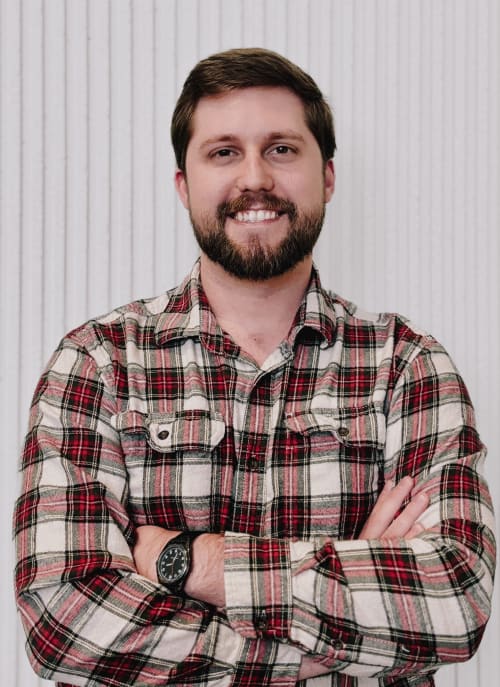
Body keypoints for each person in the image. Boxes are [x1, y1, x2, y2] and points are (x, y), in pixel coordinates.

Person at [14, 48, 495, 687]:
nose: (254, 178)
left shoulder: (407, 365)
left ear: (327, 177)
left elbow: (456, 601)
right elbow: (64, 622)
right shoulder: (98, 363)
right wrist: (341, 624)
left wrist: (187, 561)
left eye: (281, 149)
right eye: (223, 152)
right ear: (184, 186)